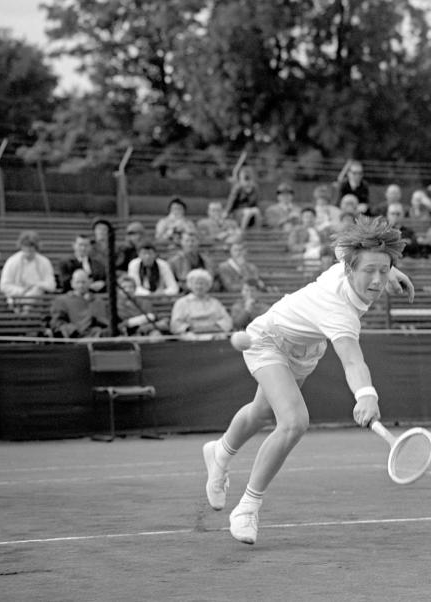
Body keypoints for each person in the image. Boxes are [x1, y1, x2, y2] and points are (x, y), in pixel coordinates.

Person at [201, 217, 414, 545]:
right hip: (268, 338)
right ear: (348, 270)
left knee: (260, 411)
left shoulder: (350, 258)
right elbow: (352, 359)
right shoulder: (338, 312)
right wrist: (366, 395)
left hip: (304, 350)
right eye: (369, 270)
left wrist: (391, 270)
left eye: (382, 271)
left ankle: (220, 452)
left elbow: (352, 248)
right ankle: (247, 507)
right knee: (294, 422)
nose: (376, 280)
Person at [170, 268, 233, 340]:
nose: (199, 286)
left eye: (202, 283)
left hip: (213, 333)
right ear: (190, 285)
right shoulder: (182, 303)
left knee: (222, 336)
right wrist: (190, 328)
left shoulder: (215, 302)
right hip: (192, 335)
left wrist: (215, 327)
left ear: (208, 286)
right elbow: (175, 325)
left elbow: (227, 321)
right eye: (196, 283)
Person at [0, 230, 56, 310]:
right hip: (17, 298)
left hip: (38, 299)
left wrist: (36, 284)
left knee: (36, 291)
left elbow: (51, 285)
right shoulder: (12, 261)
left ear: (36, 247)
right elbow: (4, 286)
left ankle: (26, 312)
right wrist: (23, 291)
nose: (28, 249)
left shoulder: (44, 262)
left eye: (31, 246)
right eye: (26, 246)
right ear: (21, 246)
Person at [49, 269, 109, 338]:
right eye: (78, 282)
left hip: (94, 335)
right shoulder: (62, 300)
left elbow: (104, 321)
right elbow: (56, 322)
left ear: (89, 282)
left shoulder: (96, 301)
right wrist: (70, 330)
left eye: (83, 282)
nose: (81, 285)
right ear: (72, 283)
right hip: (73, 336)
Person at [287, 206, 328, 276]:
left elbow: (326, 244)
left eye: (311, 217)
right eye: (306, 217)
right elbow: (292, 246)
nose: (309, 219)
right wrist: (305, 246)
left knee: (326, 259)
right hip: (306, 252)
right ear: (302, 218)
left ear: (315, 218)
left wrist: (321, 247)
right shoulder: (297, 230)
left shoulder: (320, 231)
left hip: (319, 251)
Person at [225, 166, 263, 230]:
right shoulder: (237, 188)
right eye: (245, 178)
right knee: (248, 212)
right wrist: (226, 213)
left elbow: (256, 203)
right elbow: (231, 202)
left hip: (251, 212)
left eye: (249, 178)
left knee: (256, 211)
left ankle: (257, 233)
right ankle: (242, 233)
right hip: (238, 213)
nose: (247, 181)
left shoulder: (255, 188)